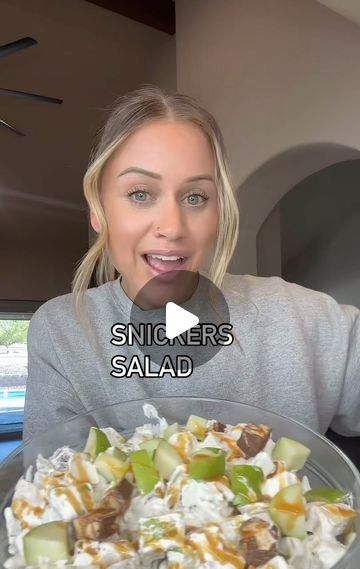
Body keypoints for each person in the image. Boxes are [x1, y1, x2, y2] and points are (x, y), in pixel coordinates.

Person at [23, 85, 360, 440]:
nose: (172, 227)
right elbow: (53, 480)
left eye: (196, 197)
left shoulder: (306, 319)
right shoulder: (62, 332)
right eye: (140, 194)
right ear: (98, 209)